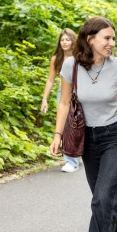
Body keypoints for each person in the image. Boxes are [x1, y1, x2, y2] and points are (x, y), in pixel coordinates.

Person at [50, 16, 117, 232]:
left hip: (116, 138)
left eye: (113, 38)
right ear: (90, 39)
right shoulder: (71, 65)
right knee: (103, 195)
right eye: (107, 38)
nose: (112, 43)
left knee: (102, 197)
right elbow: (64, 103)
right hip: (87, 140)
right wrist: (57, 135)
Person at [41, 28, 82, 173]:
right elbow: (50, 80)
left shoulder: (80, 56)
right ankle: (71, 161)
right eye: (62, 40)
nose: (64, 43)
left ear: (73, 41)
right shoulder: (56, 58)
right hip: (63, 93)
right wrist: (44, 99)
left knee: (80, 124)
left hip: (81, 92)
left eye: (67, 40)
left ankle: (78, 152)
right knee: (65, 125)